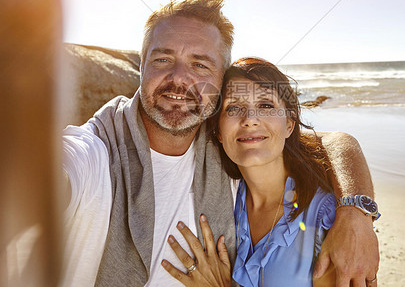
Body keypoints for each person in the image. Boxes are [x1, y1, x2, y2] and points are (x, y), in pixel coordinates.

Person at [61, 0, 379, 286]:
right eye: (163, 59)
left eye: (200, 64)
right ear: (141, 66)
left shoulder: (320, 217)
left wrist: (356, 211)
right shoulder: (95, 152)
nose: (180, 78)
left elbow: (336, 141)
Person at [162, 57, 379, 286]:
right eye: (234, 107)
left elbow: (339, 141)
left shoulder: (328, 220)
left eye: (266, 105)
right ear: (217, 131)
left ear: (289, 125)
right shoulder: (226, 201)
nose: (250, 120)